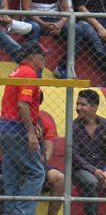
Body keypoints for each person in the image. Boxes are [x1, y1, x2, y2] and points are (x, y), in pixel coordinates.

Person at [0, 42, 47, 215]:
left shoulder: (16, 71)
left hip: (5, 128)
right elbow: (22, 104)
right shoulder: (29, 73)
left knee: (11, 176)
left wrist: (34, 125)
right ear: (33, 56)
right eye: (43, 55)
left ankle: (10, 212)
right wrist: (30, 131)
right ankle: (21, 212)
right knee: (37, 174)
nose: (45, 59)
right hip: (18, 130)